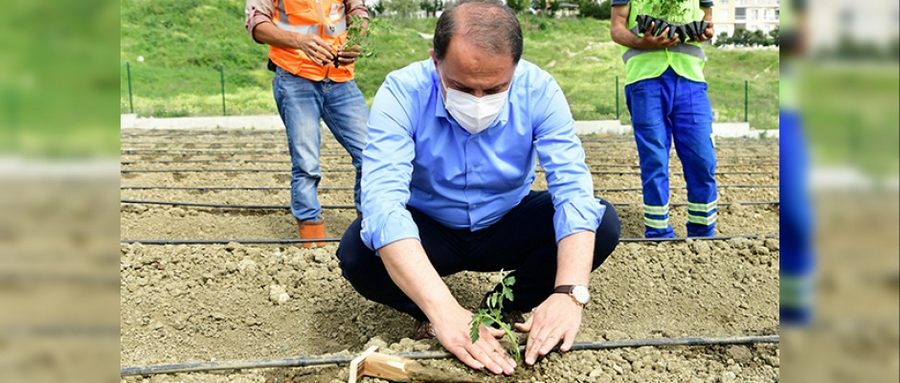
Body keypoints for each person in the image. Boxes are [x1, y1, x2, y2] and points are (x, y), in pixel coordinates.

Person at [336, 0, 621, 375]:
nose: (478, 102)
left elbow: (573, 189)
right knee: (358, 250)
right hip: (431, 226)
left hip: (505, 220)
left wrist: (569, 293)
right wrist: (444, 312)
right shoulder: (403, 92)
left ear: (515, 69)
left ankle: (500, 309)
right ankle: (429, 310)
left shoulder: (538, 91)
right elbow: (383, 204)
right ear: (435, 61)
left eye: (495, 88)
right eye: (461, 87)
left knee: (601, 223)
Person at [245, 0, 369, 247]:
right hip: (295, 75)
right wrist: (300, 41)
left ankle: (369, 226)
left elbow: (359, 11)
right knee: (306, 162)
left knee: (371, 154)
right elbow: (256, 23)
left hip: (340, 77)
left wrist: (356, 39)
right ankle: (312, 239)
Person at [610, 0, 719, 238]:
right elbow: (617, 27)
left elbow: (708, 19)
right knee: (654, 158)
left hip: (690, 79)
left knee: (703, 158)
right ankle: (658, 232)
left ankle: (703, 233)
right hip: (645, 80)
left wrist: (706, 31)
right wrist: (643, 43)